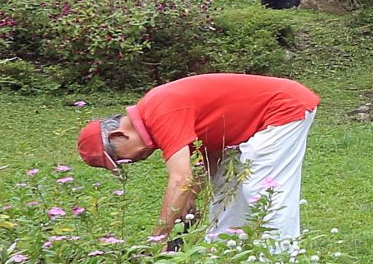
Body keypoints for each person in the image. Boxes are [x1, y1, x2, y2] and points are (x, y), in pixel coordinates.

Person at [76, 72, 322, 246]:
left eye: (120, 159)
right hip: (260, 120)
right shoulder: (153, 113)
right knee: (227, 191)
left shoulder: (160, 112)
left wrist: (158, 239)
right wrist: (192, 196)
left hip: (284, 108)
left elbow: (180, 179)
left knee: (263, 190)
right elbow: (212, 149)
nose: (130, 163)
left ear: (119, 135)